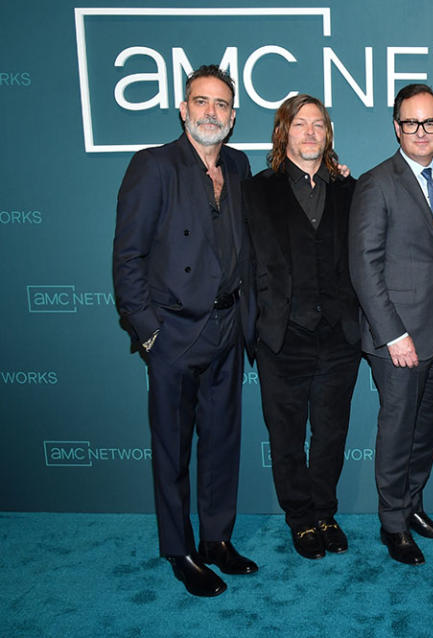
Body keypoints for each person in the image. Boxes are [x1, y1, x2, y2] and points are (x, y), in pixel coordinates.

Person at [113, 65, 258, 597]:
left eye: (221, 105)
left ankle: (216, 540)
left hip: (227, 327)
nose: (211, 112)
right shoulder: (154, 166)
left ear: (234, 116)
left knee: (221, 443)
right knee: (173, 449)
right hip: (173, 331)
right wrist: (149, 333)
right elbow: (128, 257)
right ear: (183, 109)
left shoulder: (239, 165)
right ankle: (180, 549)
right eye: (202, 102)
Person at [348, 83, 433, 566]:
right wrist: (392, 333)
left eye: (431, 122)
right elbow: (364, 265)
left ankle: (414, 507)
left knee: (426, 429)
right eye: (411, 122)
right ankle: (392, 524)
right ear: (396, 126)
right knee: (398, 431)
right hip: (397, 335)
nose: (422, 131)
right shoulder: (376, 183)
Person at [243, 95, 361, 560]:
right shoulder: (255, 190)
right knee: (286, 435)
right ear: (284, 132)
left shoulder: (351, 190)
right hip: (281, 336)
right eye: (300, 124)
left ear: (327, 134)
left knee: (331, 432)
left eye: (318, 124)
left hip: (339, 336)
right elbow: (243, 262)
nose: (310, 132)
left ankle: (325, 512)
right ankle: (300, 519)